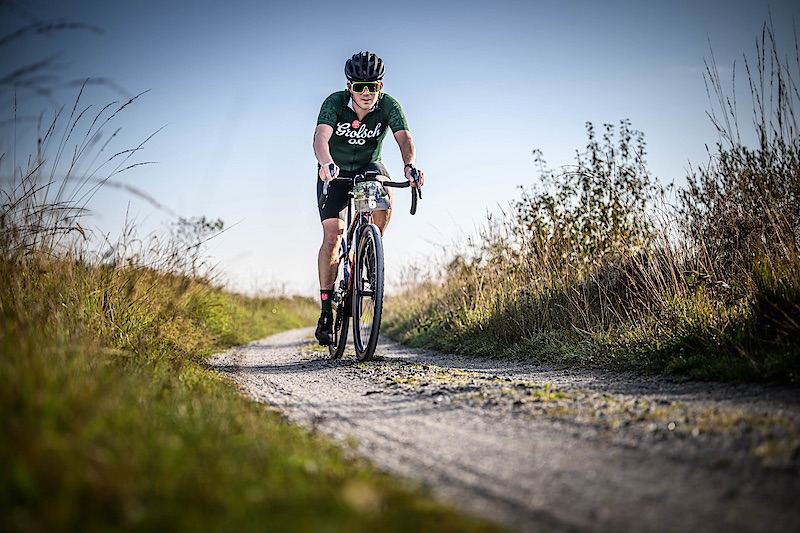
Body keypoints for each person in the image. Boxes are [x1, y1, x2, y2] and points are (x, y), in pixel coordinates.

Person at [313, 51, 424, 345]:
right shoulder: (334, 103)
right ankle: (325, 311)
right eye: (359, 86)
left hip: (368, 168)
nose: (366, 92)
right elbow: (320, 137)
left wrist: (409, 166)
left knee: (384, 190)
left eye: (371, 86)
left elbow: (404, 138)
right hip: (334, 171)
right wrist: (325, 163)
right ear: (349, 86)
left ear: (380, 86)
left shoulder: (388, 106)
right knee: (333, 235)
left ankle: (368, 247)